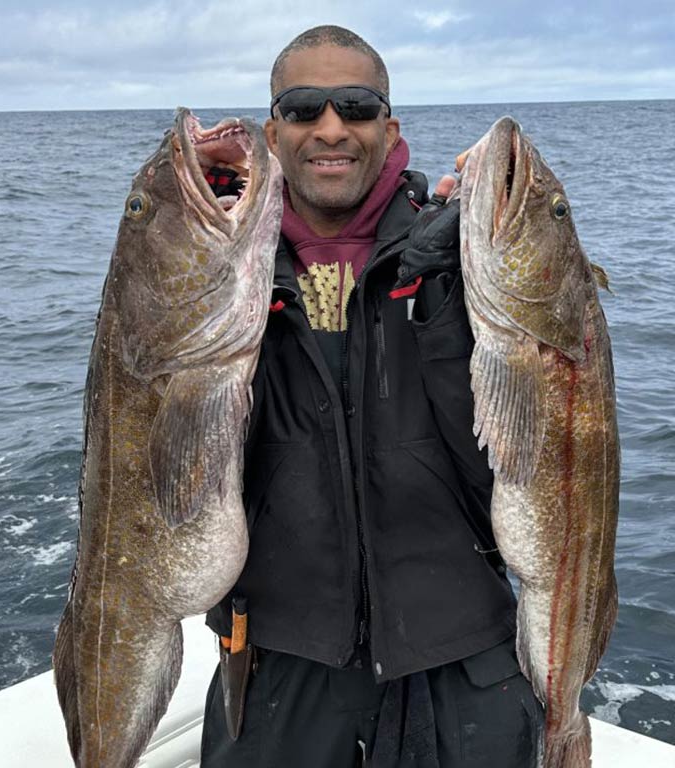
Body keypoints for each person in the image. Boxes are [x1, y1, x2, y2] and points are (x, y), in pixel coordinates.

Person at [201, 25, 543, 767]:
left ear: (389, 130)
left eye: (355, 106)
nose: (331, 128)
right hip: (273, 664)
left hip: (465, 657)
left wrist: (462, 285)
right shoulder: (217, 268)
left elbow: (538, 457)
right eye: (303, 108)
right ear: (272, 131)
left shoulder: (461, 255)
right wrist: (198, 234)